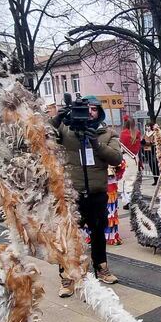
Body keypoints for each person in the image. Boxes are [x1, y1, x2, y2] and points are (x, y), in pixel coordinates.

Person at [52, 97, 123, 296]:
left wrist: (95, 143)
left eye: (93, 109)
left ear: (99, 112)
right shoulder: (65, 130)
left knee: (98, 232)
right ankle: (67, 277)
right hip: (70, 193)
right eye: (85, 109)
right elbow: (42, 136)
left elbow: (116, 158)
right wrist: (59, 118)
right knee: (66, 236)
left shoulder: (107, 133)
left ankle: (101, 268)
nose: (89, 112)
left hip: (96, 192)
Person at [119, 115, 143, 208]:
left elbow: (121, 148)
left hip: (126, 158)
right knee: (132, 179)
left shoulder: (123, 133)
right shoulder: (137, 133)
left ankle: (127, 201)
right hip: (134, 158)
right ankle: (133, 199)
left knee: (125, 180)